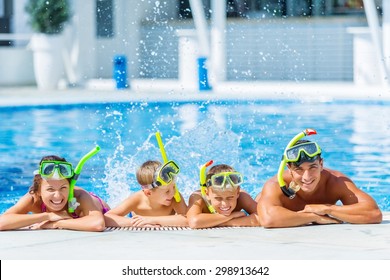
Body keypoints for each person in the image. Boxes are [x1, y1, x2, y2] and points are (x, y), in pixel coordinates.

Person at [257, 130, 383, 228]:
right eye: (299, 169)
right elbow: (268, 219)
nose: (307, 177)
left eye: (312, 167)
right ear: (289, 169)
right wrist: (313, 217)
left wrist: (327, 208)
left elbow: (374, 213)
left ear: (321, 164)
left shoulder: (336, 181)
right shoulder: (275, 185)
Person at [0, 155, 109, 231]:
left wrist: (56, 223)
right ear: (38, 191)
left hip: (102, 210)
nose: (57, 196)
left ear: (70, 187)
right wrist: (48, 216)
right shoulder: (33, 199)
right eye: (50, 189)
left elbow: (97, 224)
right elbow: (2, 222)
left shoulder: (80, 196)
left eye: (63, 188)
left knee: (110, 220)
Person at [104, 160, 188, 227]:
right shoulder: (137, 199)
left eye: (173, 187)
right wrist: (135, 223)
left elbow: (187, 219)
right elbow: (107, 218)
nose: (172, 193)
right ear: (148, 193)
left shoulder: (175, 197)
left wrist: (151, 220)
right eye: (167, 191)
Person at [187, 162, 259, 229]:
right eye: (218, 198)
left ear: (237, 192)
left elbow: (262, 217)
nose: (225, 204)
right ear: (207, 194)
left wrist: (219, 222)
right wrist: (232, 216)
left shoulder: (242, 197)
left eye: (230, 198)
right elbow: (194, 222)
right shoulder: (198, 198)